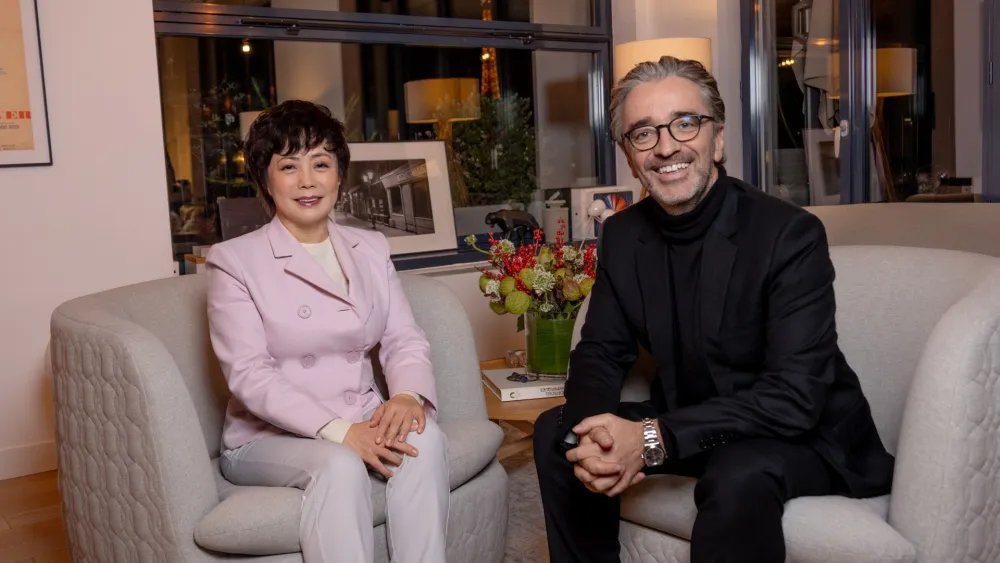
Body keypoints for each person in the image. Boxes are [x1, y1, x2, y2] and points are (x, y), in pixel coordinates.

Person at [533, 56, 894, 562]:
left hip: (800, 434)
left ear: (717, 140)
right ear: (630, 157)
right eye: (643, 134)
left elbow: (794, 397)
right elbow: (600, 352)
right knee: (557, 431)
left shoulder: (788, 234)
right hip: (694, 422)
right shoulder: (623, 235)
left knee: (737, 473)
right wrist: (594, 433)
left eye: (685, 123)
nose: (666, 147)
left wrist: (651, 438)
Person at [206, 100, 448, 563]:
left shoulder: (371, 246)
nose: (307, 181)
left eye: (320, 163)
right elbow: (249, 375)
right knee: (339, 464)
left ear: (339, 175)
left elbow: (403, 337)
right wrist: (341, 432)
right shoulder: (234, 261)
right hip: (268, 436)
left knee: (426, 437)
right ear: (266, 180)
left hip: (362, 410)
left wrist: (406, 397)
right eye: (288, 166)